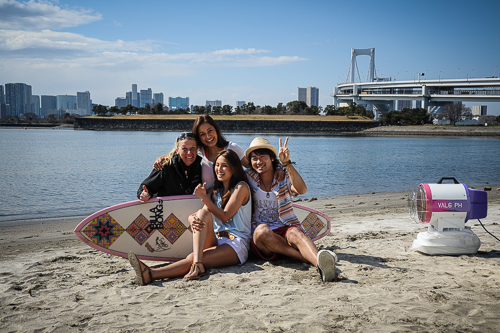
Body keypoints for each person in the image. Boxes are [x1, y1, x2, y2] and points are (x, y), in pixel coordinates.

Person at [129, 149, 252, 284]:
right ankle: (197, 264)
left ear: (234, 168)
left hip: (236, 243)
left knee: (193, 257)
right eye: (217, 165)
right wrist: (191, 218)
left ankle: (152, 274)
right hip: (217, 239)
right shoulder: (215, 190)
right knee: (202, 214)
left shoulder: (241, 187)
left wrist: (204, 198)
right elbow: (202, 213)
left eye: (224, 165)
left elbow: (224, 216)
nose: (219, 169)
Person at [245, 137, 338, 282]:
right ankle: (303, 257)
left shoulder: (283, 176)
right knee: (261, 231)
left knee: (295, 231)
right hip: (263, 241)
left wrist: (286, 164)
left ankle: (321, 267)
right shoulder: (247, 177)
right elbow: (228, 163)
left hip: (285, 229)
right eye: (254, 158)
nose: (258, 162)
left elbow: (301, 189)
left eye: (262, 157)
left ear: (271, 158)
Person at [154, 115, 249, 188]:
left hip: (230, 201)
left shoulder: (232, 148)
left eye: (210, 130)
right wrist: (161, 158)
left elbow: (251, 167)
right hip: (206, 201)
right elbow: (178, 153)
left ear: (216, 129)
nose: (208, 136)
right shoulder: (198, 151)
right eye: (202, 134)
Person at [137, 132, 202, 202]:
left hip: (183, 207)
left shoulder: (200, 165)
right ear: (177, 150)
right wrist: (144, 194)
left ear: (197, 149)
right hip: (161, 209)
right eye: (184, 148)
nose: (189, 152)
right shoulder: (165, 166)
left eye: (193, 148)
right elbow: (145, 187)